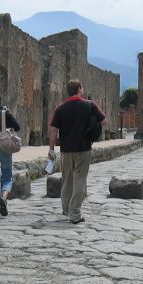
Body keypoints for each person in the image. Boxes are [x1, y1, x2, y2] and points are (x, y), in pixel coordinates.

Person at [48, 79, 106, 224]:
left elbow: (54, 129)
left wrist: (51, 149)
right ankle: (75, 213)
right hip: (83, 148)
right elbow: (104, 121)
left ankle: (66, 209)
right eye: (82, 87)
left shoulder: (60, 108)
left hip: (66, 150)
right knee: (79, 180)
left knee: (67, 180)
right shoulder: (89, 105)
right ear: (79, 89)